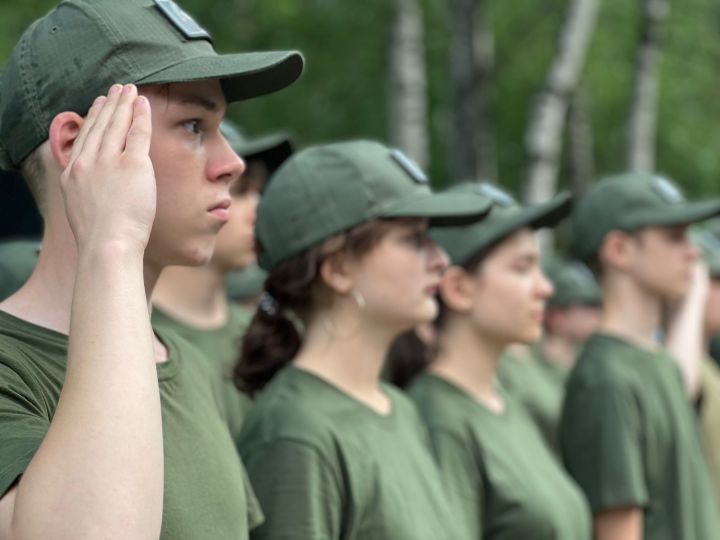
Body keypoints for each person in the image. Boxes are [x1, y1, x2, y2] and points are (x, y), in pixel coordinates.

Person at [0, 1, 303, 538]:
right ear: (75, 144)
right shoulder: (10, 370)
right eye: (194, 124)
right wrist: (112, 242)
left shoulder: (180, 361)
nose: (232, 163)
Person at [234, 140, 491, 539]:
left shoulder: (400, 409)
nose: (441, 260)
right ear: (338, 268)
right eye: (414, 239)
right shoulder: (295, 432)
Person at [403, 182, 591, 539]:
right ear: (459, 289)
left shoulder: (504, 402)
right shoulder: (440, 420)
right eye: (522, 269)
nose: (545, 289)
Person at [559, 172, 720, 539]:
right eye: (675, 237)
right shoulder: (606, 379)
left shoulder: (655, 362)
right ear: (619, 250)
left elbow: (683, 377)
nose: (694, 253)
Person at [152, 120, 293, 437]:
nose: (257, 211)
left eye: (260, 191)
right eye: (239, 191)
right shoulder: (139, 337)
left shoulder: (261, 334)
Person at [499, 258, 601, 453]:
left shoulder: (588, 355)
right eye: (588, 307)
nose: (597, 315)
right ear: (557, 316)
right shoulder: (519, 366)